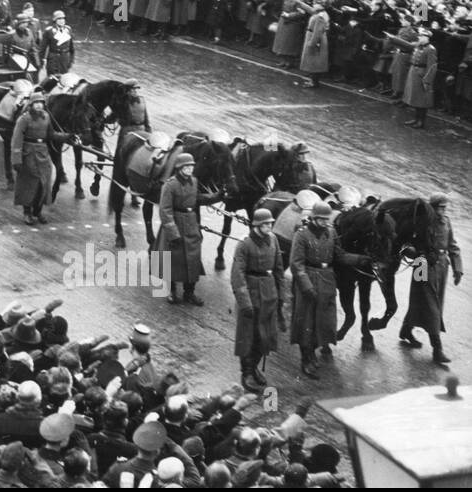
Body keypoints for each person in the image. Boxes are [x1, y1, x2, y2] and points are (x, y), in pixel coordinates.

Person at [289, 200, 371, 379]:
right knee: (307, 322)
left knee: (324, 321)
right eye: (322, 220)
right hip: (309, 278)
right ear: (314, 218)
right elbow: (296, 264)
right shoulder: (301, 235)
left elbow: (339, 256)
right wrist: (306, 286)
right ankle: (306, 359)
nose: (326, 223)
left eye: (327, 220)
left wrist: (360, 259)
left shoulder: (331, 232)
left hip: (326, 280)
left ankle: (313, 352)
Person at [398, 195, 461, 366]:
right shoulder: (420, 222)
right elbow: (404, 245)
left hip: (441, 266)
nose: (443, 211)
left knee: (421, 300)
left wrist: (458, 268)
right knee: (431, 304)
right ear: (432, 208)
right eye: (440, 208)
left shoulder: (446, 222)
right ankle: (437, 349)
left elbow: (453, 245)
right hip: (422, 265)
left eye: (445, 208)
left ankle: (406, 329)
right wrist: (418, 254)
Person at [155, 153, 224, 306]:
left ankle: (189, 293)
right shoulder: (170, 185)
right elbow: (165, 210)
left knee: (192, 259)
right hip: (176, 222)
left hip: (191, 223)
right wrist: (173, 233)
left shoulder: (194, 181)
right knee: (173, 260)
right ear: (179, 168)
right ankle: (172, 291)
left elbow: (198, 199)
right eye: (186, 167)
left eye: (191, 167)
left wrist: (218, 196)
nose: (189, 169)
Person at [231, 208, 286, 392]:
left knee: (266, 334)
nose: (269, 226)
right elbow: (237, 275)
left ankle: (254, 366)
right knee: (249, 335)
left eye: (270, 223)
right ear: (256, 225)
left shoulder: (274, 240)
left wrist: (281, 295)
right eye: (266, 224)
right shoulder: (244, 245)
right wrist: (244, 302)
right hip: (251, 292)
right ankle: (246, 372)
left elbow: (279, 268)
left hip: (269, 292)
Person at [10, 94, 69, 225]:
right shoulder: (24, 119)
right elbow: (16, 139)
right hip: (28, 153)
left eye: (41, 103)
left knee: (44, 183)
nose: (38, 105)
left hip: (43, 153)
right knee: (30, 184)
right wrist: (16, 160)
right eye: (36, 103)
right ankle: (27, 212)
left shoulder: (46, 117)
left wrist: (67, 137)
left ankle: (38, 211)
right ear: (31, 104)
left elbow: (51, 135)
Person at [403, 28, 439, 129]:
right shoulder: (418, 46)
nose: (419, 37)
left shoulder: (431, 49)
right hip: (414, 72)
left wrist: (427, 80)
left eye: (421, 36)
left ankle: (421, 121)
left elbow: (432, 66)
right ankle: (416, 118)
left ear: (427, 38)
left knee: (422, 100)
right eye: (419, 36)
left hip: (422, 75)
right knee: (415, 98)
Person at [299, 1, 330, 89]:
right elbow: (309, 9)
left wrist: (312, 43)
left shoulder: (320, 17)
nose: (313, 5)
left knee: (315, 61)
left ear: (320, 6)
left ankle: (314, 82)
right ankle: (313, 80)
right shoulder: (321, 13)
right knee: (314, 60)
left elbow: (317, 32)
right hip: (315, 37)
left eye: (316, 3)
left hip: (315, 38)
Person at [38, 10, 75, 76]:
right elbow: (42, 49)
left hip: (64, 59)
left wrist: (71, 61)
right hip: (53, 59)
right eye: (59, 19)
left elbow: (72, 48)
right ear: (55, 20)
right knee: (51, 79)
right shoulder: (49, 31)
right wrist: (41, 61)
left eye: (63, 18)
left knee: (64, 79)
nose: (62, 20)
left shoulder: (68, 30)